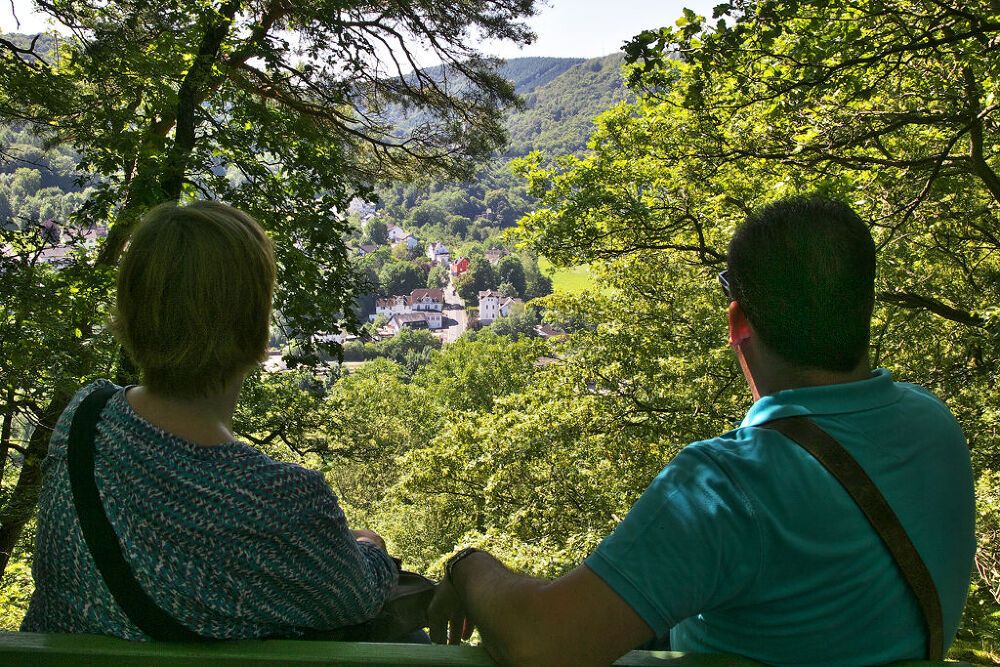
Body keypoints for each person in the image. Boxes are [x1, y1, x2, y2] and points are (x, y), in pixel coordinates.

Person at [427, 196, 976, 665]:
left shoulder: (728, 486)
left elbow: (540, 643)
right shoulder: (935, 426)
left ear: (738, 322)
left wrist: (468, 566)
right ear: (863, 306)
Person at [22, 201, 398, 639]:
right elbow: (358, 597)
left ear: (130, 313)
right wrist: (371, 546)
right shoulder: (285, 501)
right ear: (256, 328)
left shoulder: (84, 418)